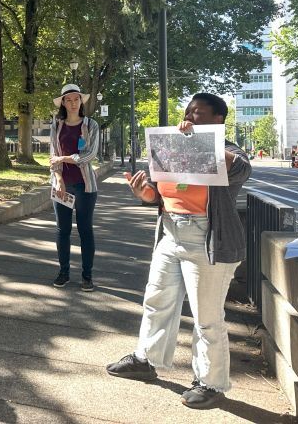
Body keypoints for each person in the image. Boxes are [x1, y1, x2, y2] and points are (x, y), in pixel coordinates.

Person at [106, 93, 251, 411]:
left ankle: (210, 383)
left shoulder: (229, 152)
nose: (190, 117)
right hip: (170, 234)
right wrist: (142, 192)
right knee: (157, 301)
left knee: (207, 317)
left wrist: (200, 141)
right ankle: (146, 359)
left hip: (208, 241)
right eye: (188, 112)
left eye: (199, 114)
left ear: (218, 120)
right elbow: (156, 195)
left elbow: (241, 169)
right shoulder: (171, 148)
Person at [49, 83, 100, 291]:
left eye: (76, 99)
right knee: (62, 231)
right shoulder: (57, 125)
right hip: (62, 185)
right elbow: (53, 155)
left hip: (85, 186)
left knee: (85, 230)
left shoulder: (91, 125)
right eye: (68, 100)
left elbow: (90, 154)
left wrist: (64, 158)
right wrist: (59, 178)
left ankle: (87, 275)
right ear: (63, 103)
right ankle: (64, 272)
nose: (72, 103)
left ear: (81, 101)